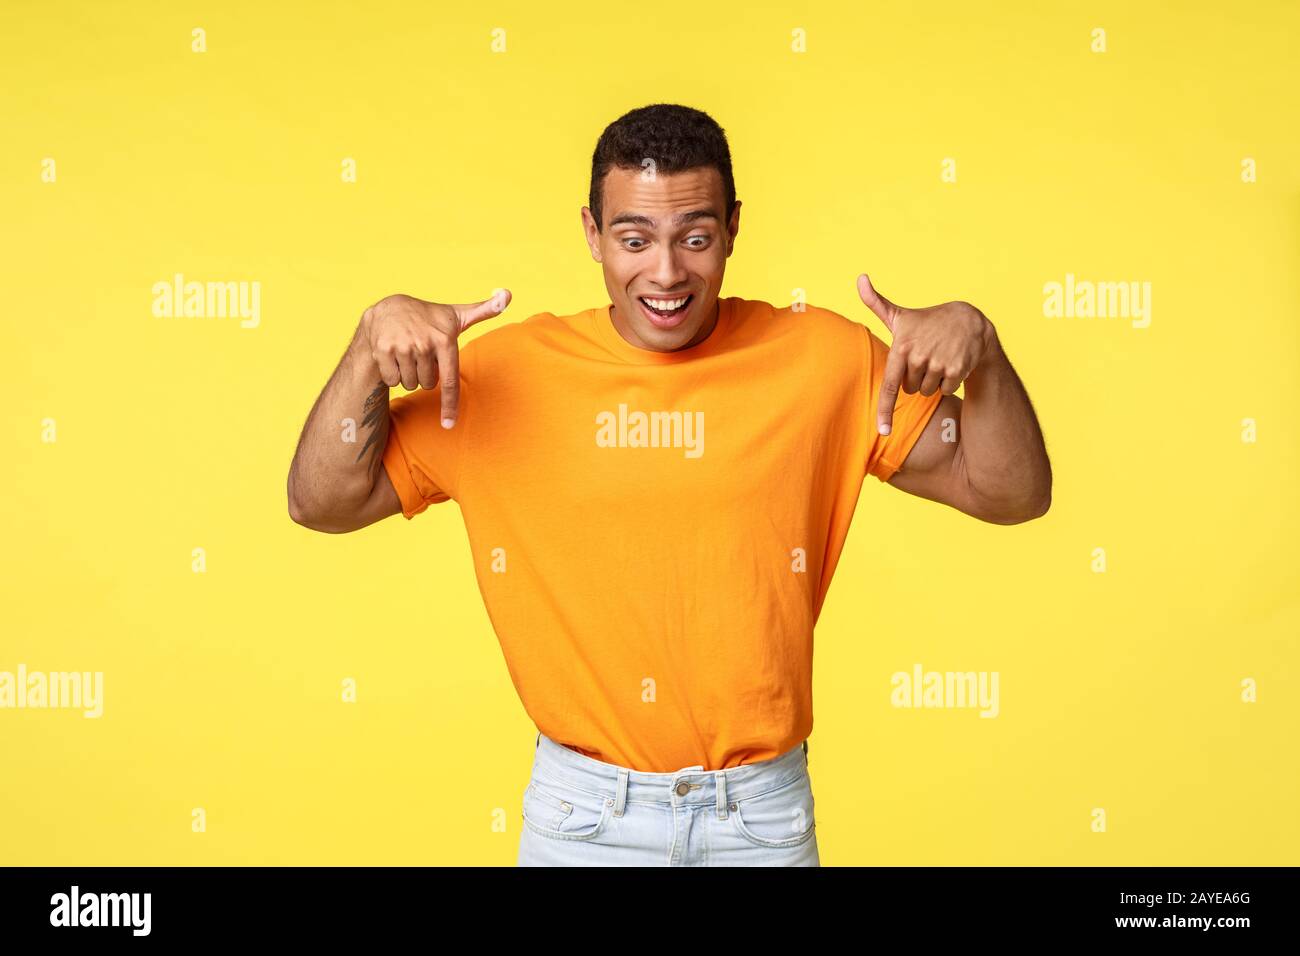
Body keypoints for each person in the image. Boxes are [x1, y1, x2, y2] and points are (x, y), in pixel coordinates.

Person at [286, 103, 1052, 866]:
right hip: (582, 821)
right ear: (592, 234)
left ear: (732, 229)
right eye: (633, 239)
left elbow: (1010, 491)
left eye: (695, 237)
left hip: (761, 822)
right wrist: (366, 349)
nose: (665, 272)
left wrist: (981, 348)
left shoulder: (825, 362)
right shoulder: (504, 377)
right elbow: (321, 502)